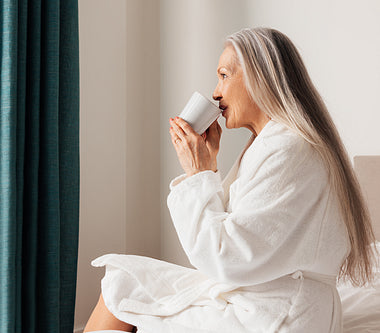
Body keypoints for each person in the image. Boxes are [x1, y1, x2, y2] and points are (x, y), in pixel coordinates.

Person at [83, 27, 377, 333]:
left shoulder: (291, 148)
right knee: (124, 282)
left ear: (260, 78)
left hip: (278, 314)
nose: (215, 92)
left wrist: (199, 173)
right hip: (264, 299)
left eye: (224, 75)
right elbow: (237, 236)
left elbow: (226, 258)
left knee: (122, 287)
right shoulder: (272, 143)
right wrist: (207, 168)